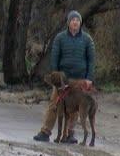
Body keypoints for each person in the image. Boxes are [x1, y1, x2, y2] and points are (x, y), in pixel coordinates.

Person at [33, 10, 95, 143]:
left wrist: (89, 78)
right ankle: (45, 132)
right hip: (62, 79)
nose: (75, 22)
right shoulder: (60, 38)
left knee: (75, 107)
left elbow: (91, 60)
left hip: (79, 80)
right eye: (73, 20)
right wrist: (55, 74)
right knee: (55, 103)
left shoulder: (87, 39)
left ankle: (69, 134)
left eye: (78, 20)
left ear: (80, 23)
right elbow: (54, 57)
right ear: (68, 22)